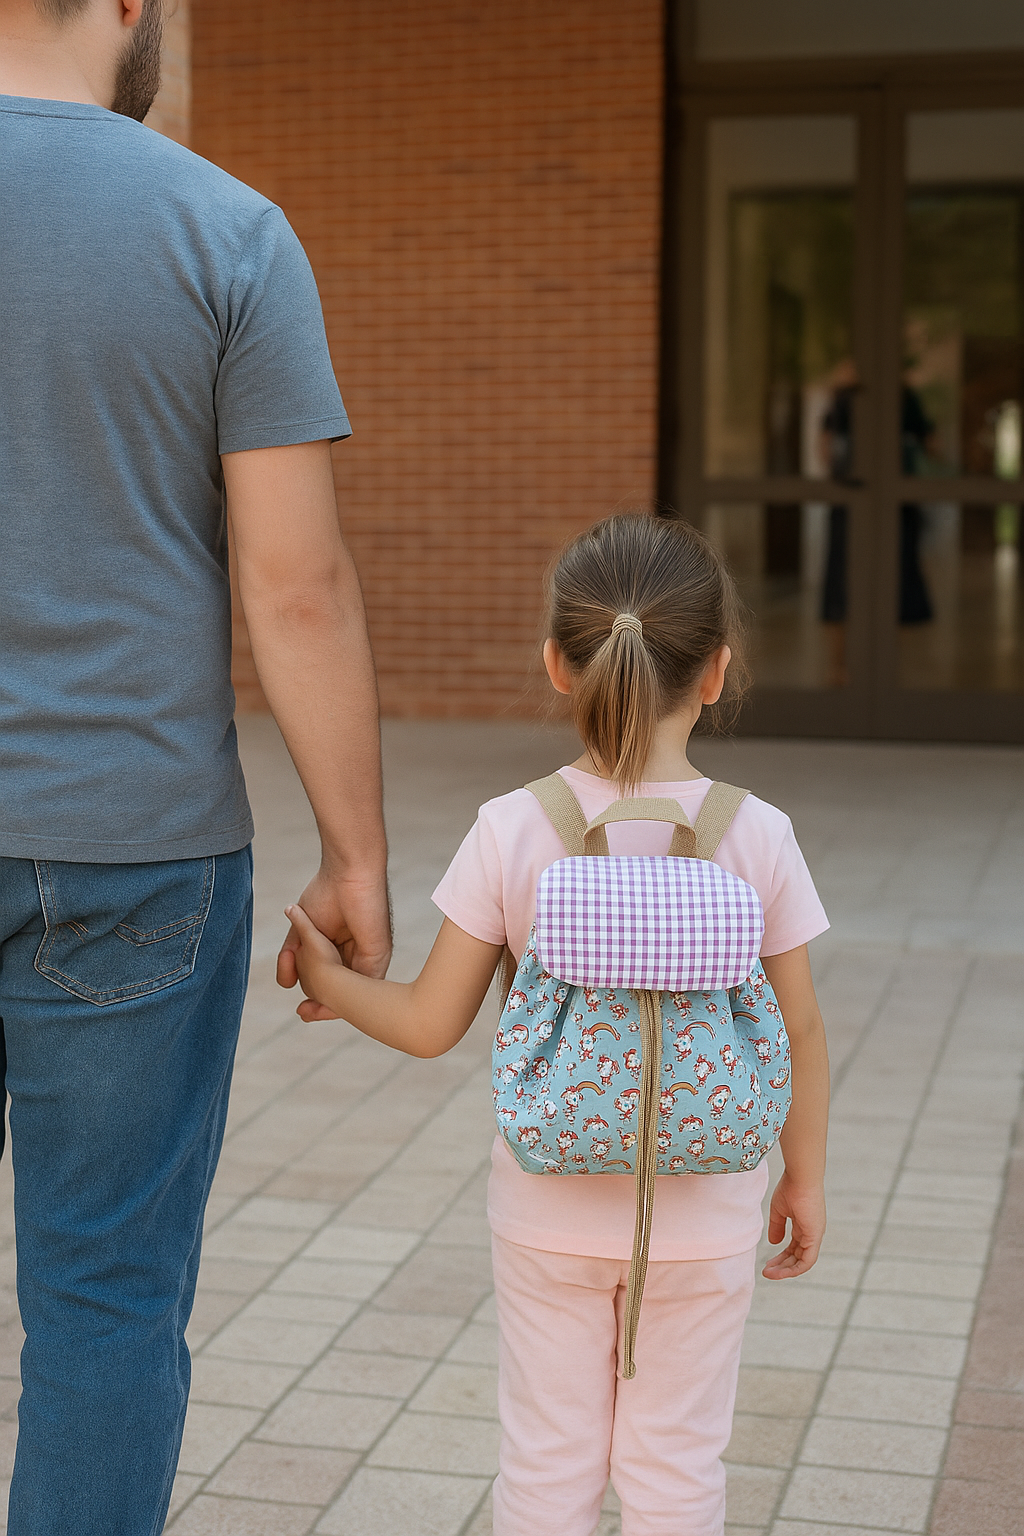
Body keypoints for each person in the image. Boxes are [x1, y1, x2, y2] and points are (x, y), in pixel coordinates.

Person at [0, 2, 390, 1531]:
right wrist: (354, 854)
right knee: (102, 1307)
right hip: (137, 848)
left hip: (132, 849)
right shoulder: (226, 229)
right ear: (122, 7)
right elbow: (294, 589)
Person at [285, 513, 830, 1536]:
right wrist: (800, 1175)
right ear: (716, 672)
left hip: (543, 1207)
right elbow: (798, 1031)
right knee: (676, 1467)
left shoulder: (514, 828)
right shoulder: (757, 836)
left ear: (555, 665)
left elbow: (428, 1022)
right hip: (707, 1211)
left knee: (547, 1462)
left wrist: (331, 978)